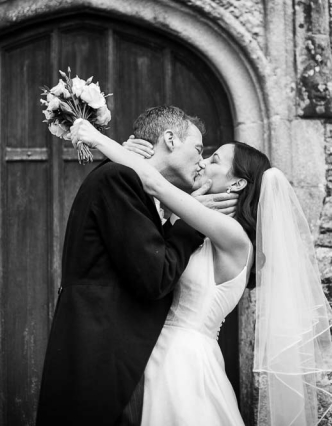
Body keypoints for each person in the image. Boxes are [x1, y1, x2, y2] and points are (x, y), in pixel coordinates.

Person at [70, 119, 332, 426]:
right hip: (156, 354)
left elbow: (154, 184)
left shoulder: (232, 235)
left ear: (237, 184)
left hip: (182, 362)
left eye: (214, 160)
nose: (202, 162)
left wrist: (100, 141)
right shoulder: (207, 230)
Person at [36, 106, 236, 426]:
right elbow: (155, 278)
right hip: (102, 356)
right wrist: (190, 221)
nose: (201, 161)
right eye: (198, 149)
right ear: (170, 139)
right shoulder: (120, 178)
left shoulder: (127, 180)